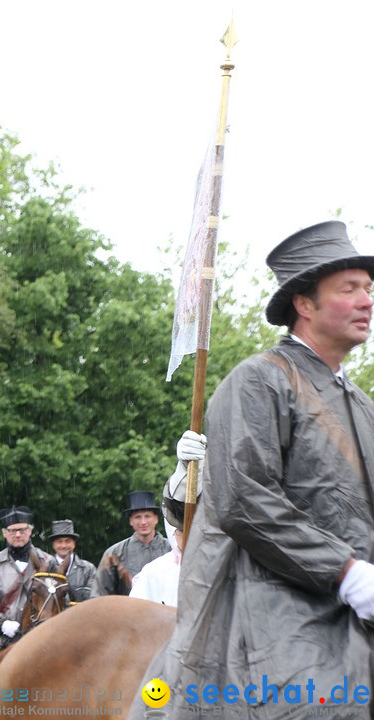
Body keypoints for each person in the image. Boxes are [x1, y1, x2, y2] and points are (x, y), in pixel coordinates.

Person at [133, 221, 374, 720]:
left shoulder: (362, 404)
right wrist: (347, 573)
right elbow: (245, 502)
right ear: (304, 304)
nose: (367, 301)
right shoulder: (258, 381)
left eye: (368, 289)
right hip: (275, 608)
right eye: (349, 289)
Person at [0, 506, 57, 680]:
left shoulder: (48, 562)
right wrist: (2, 624)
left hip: (39, 635)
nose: (17, 535)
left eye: (22, 530)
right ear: (4, 533)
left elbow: (58, 601)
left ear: (30, 531)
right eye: (12, 531)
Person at [129, 432, 207, 606]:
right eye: (180, 530)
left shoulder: (231, 567)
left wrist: (201, 472)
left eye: (147, 516)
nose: (143, 521)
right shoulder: (154, 573)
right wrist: (185, 473)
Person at [89, 490, 169, 597]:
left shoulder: (172, 549)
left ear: (156, 519)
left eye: (147, 516)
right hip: (126, 611)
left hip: (165, 611)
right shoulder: (114, 554)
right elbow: (99, 594)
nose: (143, 522)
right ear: (130, 521)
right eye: (138, 517)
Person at [47, 519, 95, 603]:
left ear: (74, 543)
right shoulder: (46, 569)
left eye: (67, 541)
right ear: (53, 545)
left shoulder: (88, 569)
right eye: (59, 542)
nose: (64, 545)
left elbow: (95, 595)